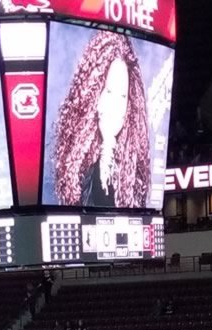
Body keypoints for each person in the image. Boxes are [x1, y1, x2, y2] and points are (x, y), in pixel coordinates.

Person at [49, 29, 152, 209]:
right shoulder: (72, 164)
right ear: (94, 94)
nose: (115, 105)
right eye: (109, 91)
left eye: (123, 96)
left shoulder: (134, 169)